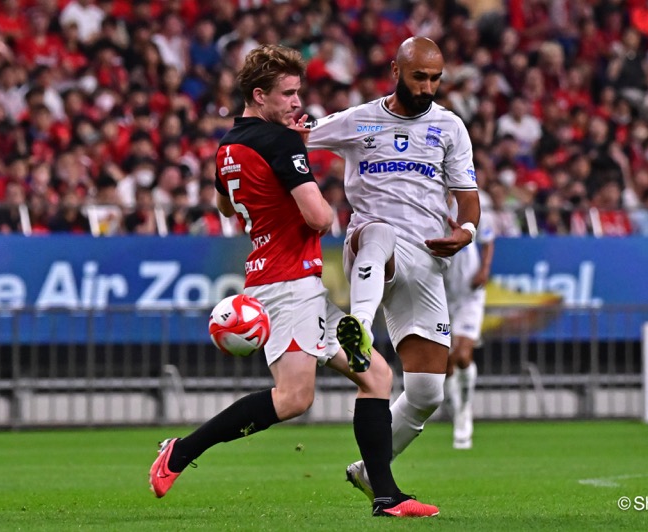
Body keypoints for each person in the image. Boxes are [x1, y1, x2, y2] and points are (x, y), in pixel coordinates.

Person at [148, 44, 438, 518]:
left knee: (377, 375)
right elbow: (320, 217)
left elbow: (226, 207)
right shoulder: (280, 142)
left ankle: (386, 496)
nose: (297, 103)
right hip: (289, 283)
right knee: (294, 397)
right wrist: (295, 156)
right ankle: (180, 452)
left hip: (279, 276)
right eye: (287, 94)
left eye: (297, 92)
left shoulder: (227, 147)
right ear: (259, 96)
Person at [302, 36, 481, 499]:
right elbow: (297, 138)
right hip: (370, 247)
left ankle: (368, 469)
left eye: (436, 78)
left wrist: (466, 232)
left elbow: (468, 200)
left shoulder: (450, 127)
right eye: (419, 76)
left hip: (425, 261)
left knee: (426, 394)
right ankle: (358, 327)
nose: (428, 87)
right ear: (395, 71)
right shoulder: (358, 120)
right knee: (378, 230)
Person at [443, 196, 494, 450]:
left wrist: (484, 269)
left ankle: (464, 413)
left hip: (469, 292)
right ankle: (455, 406)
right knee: (445, 362)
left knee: (463, 355)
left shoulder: (472, 198)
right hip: (440, 292)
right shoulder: (426, 195)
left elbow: (487, 237)